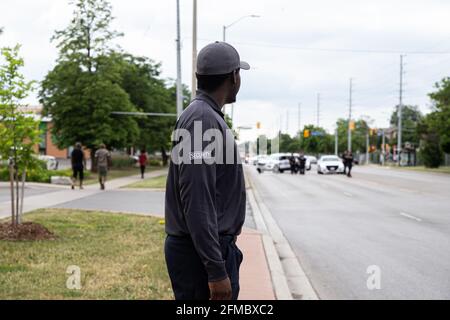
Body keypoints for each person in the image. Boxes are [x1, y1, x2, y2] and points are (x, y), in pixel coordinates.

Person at [165, 42, 249, 300]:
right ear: (234, 77)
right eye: (239, 73)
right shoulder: (202, 120)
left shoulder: (204, 115)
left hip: (203, 251)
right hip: (200, 257)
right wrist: (216, 270)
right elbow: (197, 199)